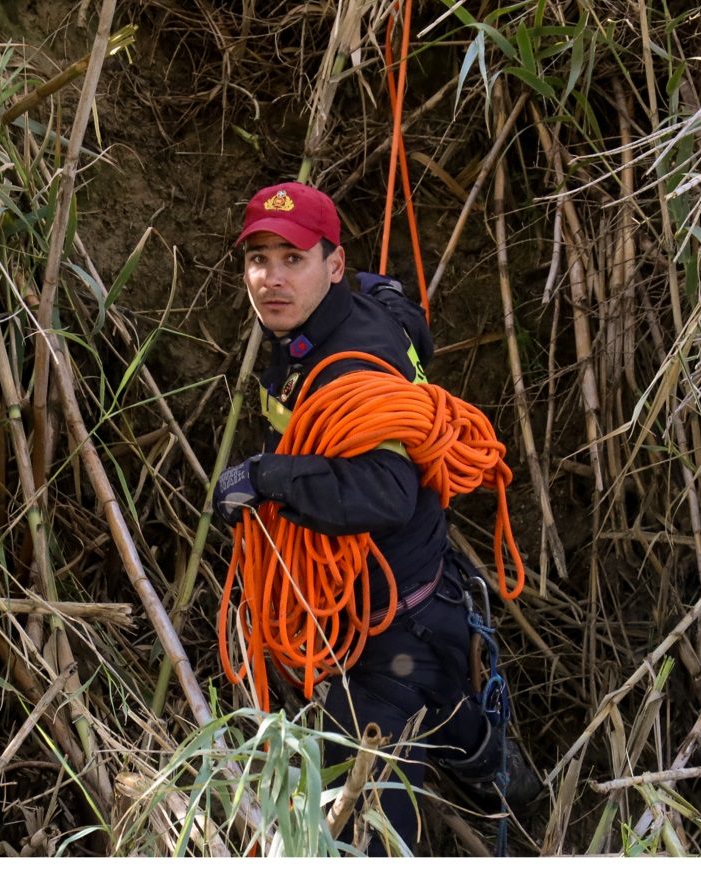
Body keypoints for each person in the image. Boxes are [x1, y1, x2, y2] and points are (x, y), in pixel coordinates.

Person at [212, 182, 536, 855]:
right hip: (420, 594)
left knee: (368, 829)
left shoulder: (351, 369)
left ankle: (492, 787)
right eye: (258, 259)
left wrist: (267, 478)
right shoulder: (360, 315)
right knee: (446, 705)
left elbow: (386, 493)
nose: (271, 279)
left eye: (293, 259)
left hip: (385, 627)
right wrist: (389, 300)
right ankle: (499, 775)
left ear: (333, 265)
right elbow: (410, 331)